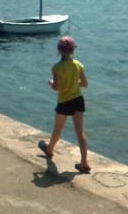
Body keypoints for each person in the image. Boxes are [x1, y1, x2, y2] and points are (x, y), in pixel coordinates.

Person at [38, 36, 90, 173]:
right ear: (73, 50)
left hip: (64, 101)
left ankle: (49, 149)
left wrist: (51, 83)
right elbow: (85, 84)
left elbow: (56, 87)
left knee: (58, 128)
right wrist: (74, 84)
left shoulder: (57, 68)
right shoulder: (79, 65)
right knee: (80, 132)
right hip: (78, 99)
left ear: (59, 50)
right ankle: (84, 163)